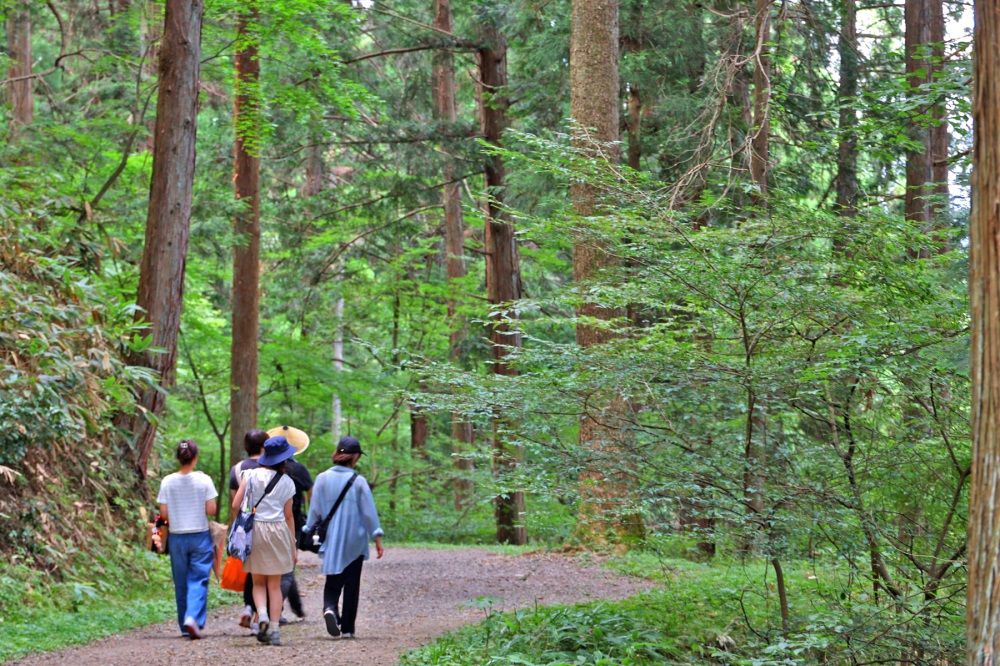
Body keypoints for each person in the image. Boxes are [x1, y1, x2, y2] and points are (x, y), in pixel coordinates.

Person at [304, 435, 384, 639]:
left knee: (333, 579)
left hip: (332, 537)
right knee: (352, 583)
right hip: (355, 540)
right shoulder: (359, 481)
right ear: (355, 457)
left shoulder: (322, 478)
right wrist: (376, 535)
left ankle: (330, 608)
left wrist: (308, 529)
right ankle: (348, 628)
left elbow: (315, 511)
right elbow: (369, 512)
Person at [232, 436, 298, 646]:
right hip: (278, 530)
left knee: (258, 581)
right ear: (284, 459)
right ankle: (275, 630)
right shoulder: (287, 482)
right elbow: (289, 516)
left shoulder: (249, 475)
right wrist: (293, 545)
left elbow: (236, 504)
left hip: (255, 530)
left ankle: (261, 616)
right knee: (275, 585)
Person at [157, 439, 218, 639]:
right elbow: (211, 510)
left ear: (178, 458)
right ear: (195, 458)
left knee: (181, 581)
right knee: (199, 579)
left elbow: (163, 514)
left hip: (176, 537)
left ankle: (185, 625)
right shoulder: (204, 480)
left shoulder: (167, 481)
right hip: (199, 535)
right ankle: (193, 618)